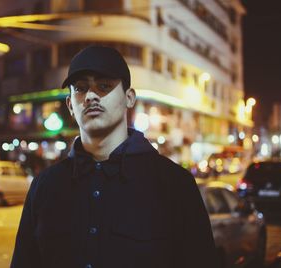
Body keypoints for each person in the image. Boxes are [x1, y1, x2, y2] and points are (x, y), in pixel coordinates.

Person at [11, 45, 218, 268]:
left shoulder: (174, 183)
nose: (90, 96)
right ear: (70, 105)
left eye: (104, 86)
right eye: (80, 88)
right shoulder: (46, 186)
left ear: (129, 98)